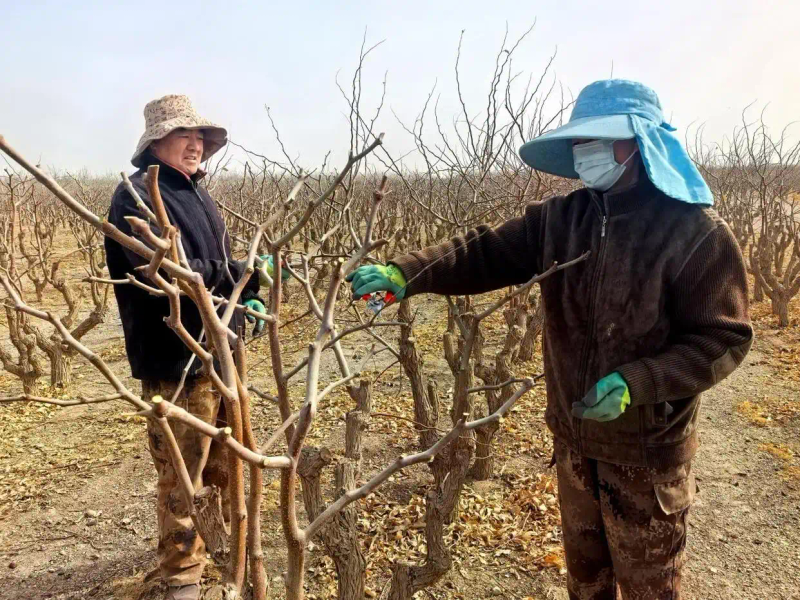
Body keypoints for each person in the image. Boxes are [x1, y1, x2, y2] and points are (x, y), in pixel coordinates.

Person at [347, 80, 753, 599]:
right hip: (574, 439)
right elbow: (484, 252)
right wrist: (409, 273)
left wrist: (637, 382)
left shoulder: (695, 233)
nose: (586, 153)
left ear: (641, 143)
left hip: (648, 455)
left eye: (599, 141)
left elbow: (722, 339)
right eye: (581, 142)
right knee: (586, 583)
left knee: (652, 587)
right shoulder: (561, 220)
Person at [105, 95, 278, 600]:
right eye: (186, 135)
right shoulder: (136, 196)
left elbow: (216, 265)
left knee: (224, 462)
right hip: (175, 359)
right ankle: (181, 576)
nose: (196, 144)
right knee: (184, 472)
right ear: (156, 141)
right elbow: (166, 274)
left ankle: (220, 549)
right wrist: (233, 274)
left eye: (201, 137)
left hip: (217, 350)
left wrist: (251, 283)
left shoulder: (197, 194)